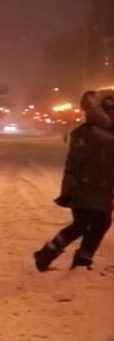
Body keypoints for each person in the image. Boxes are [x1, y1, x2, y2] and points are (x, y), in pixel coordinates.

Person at [34, 90, 114, 271]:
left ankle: (70, 257)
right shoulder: (94, 133)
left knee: (98, 222)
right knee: (85, 223)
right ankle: (60, 256)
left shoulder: (95, 131)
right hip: (84, 185)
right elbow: (94, 158)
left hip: (100, 187)